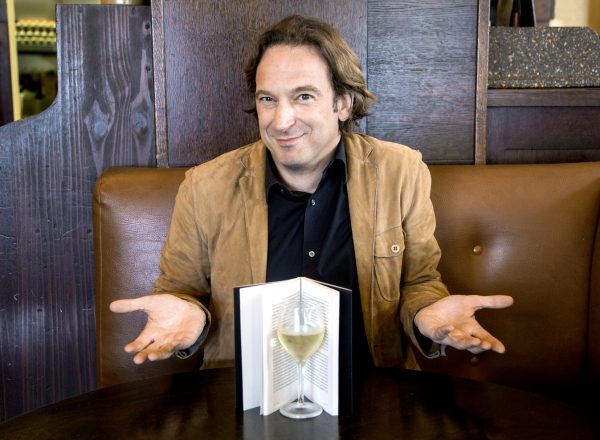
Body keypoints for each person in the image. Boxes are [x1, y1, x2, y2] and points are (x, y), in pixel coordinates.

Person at [110, 14, 513, 370]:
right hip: (247, 400)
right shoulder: (205, 186)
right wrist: (190, 316)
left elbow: (419, 282)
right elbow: (182, 292)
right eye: (268, 99)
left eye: (303, 96)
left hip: (373, 393)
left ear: (343, 103)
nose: (281, 120)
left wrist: (428, 314)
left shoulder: (400, 172)